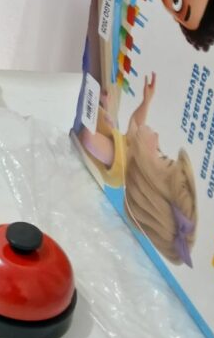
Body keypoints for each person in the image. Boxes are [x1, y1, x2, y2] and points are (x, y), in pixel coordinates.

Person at [77, 73, 196, 266]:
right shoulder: (131, 153)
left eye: (161, 156)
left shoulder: (119, 160)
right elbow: (136, 123)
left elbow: (88, 140)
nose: (157, 138)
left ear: (146, 176)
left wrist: (93, 103)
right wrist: (146, 101)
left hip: (78, 111)